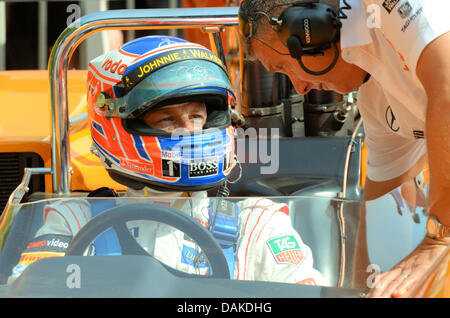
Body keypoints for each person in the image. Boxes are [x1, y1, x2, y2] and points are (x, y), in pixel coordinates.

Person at [9, 35, 324, 286]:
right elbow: (27, 287)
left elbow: (305, 287)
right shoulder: (74, 221)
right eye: (168, 120)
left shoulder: (257, 223)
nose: (189, 132)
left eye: (197, 116)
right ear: (117, 125)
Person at [238, 0, 450, 297]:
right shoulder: (377, 100)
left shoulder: (391, 5)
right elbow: (378, 209)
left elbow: (448, 90)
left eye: (284, 67)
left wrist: (440, 236)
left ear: (309, 28)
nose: (299, 88)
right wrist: (359, 291)